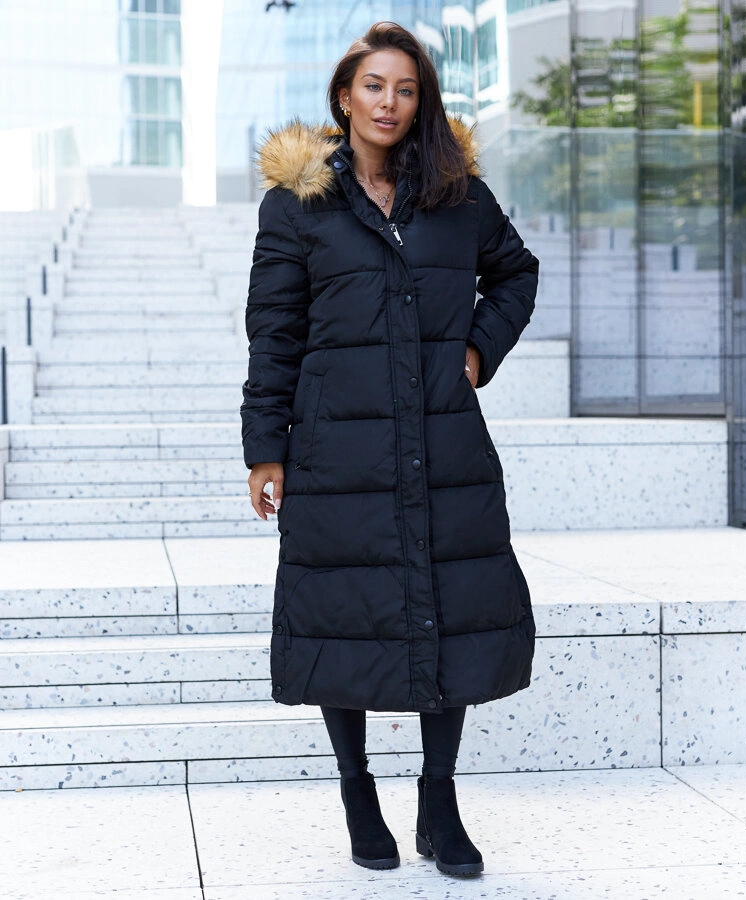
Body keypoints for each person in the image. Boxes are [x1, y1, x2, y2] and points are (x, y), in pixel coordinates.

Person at [241, 21, 539, 878]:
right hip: (337, 448)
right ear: (345, 95)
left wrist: (477, 348)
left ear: (422, 102)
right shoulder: (298, 205)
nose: (389, 103)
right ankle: (357, 790)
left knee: (451, 609)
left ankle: (439, 801)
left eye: (406, 89)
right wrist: (266, 449)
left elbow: (516, 271)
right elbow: (274, 334)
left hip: (442, 440)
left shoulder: (457, 194)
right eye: (374, 86)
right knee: (341, 615)